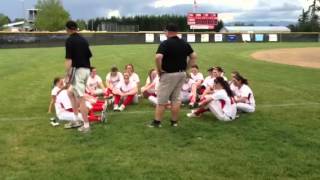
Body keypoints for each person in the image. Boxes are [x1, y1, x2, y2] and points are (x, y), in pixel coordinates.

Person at [149, 23, 197, 128]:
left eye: (165, 31)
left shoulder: (165, 43)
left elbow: (158, 57)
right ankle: (174, 122)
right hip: (181, 74)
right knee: (176, 99)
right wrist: (186, 69)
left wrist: (159, 70)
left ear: (167, 31)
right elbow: (193, 56)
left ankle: (157, 122)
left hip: (169, 74)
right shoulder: (184, 43)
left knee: (161, 99)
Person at [64, 20, 92, 133]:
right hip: (86, 71)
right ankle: (76, 119)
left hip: (79, 72)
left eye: (66, 29)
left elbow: (69, 60)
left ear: (68, 29)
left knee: (81, 99)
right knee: (70, 92)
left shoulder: (70, 40)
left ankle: (86, 125)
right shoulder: (83, 39)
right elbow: (89, 56)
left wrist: (67, 75)